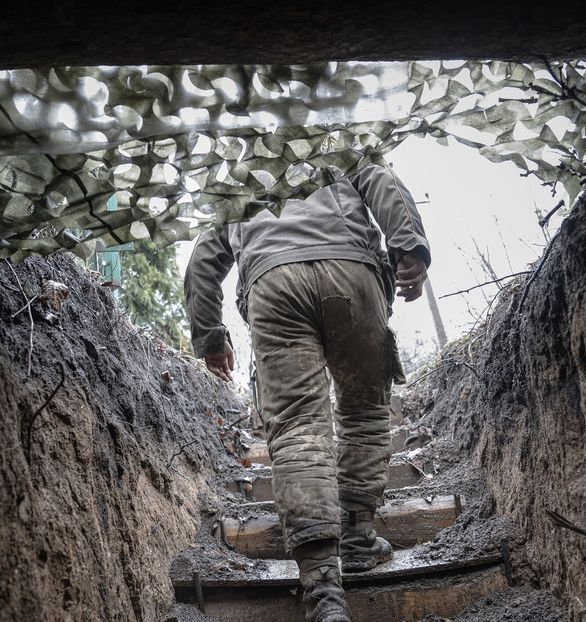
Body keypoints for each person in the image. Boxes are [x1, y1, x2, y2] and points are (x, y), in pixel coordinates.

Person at [184, 161, 431, 622]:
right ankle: (357, 539)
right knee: (364, 412)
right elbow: (382, 179)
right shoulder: (331, 148)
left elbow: (202, 261)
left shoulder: (236, 177)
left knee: (298, 427)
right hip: (351, 271)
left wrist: (212, 341)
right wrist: (408, 245)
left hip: (273, 285)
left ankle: (323, 589)